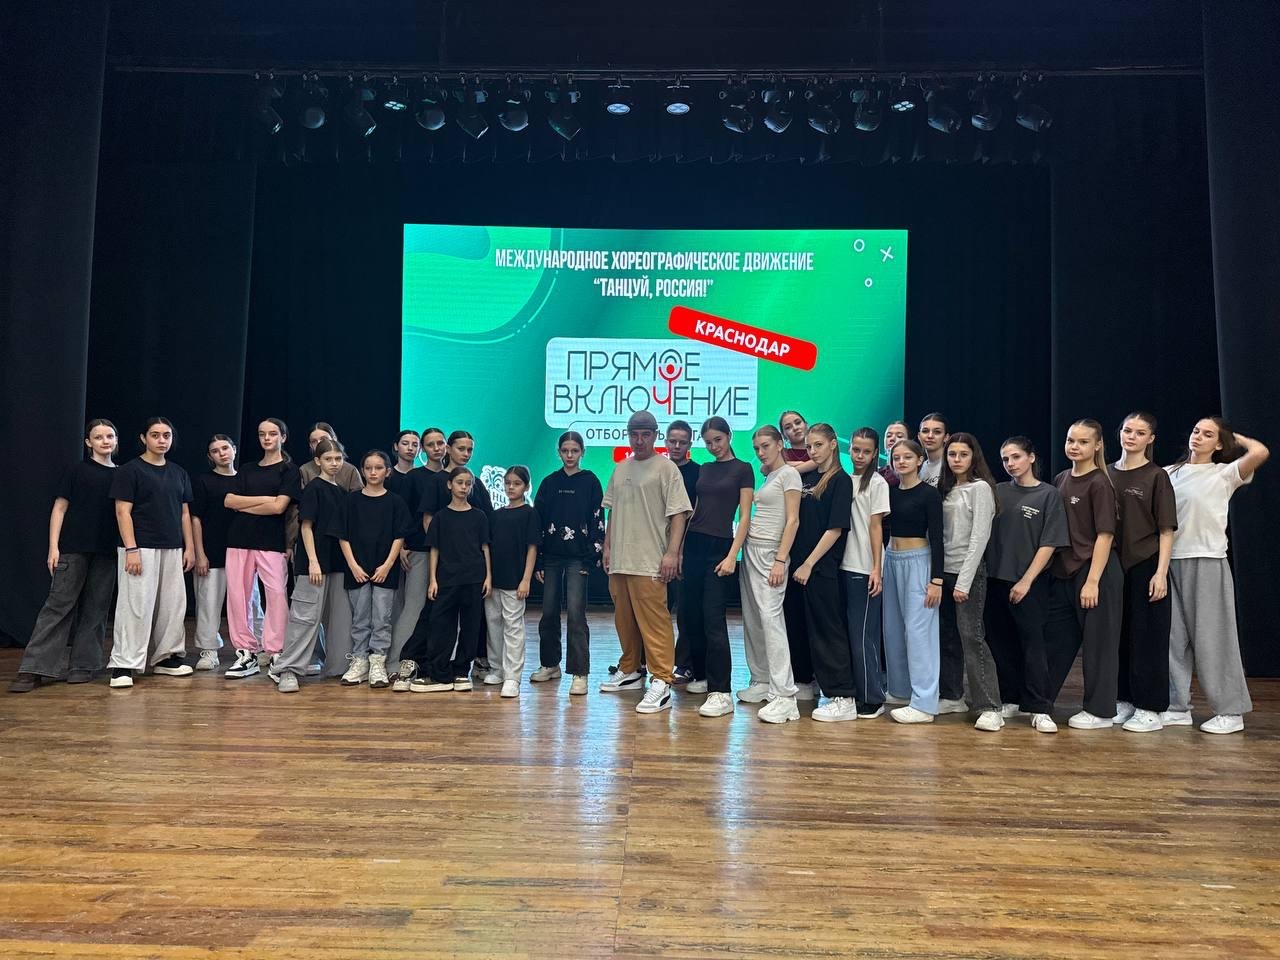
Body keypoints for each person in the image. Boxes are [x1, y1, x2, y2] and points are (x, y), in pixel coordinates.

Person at [1163, 417, 1269, 734]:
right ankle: (1176, 707)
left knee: (1213, 638)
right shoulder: (1168, 473)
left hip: (1207, 560)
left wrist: (1232, 435)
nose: (1198, 437)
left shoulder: (1224, 473)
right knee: (1172, 639)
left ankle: (1230, 711)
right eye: (1196, 431)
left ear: (1220, 444)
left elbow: (1260, 451)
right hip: (1168, 562)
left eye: (1208, 434)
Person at [10, 419, 120, 693]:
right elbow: (59, 508)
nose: (105, 441)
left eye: (109, 436)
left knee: (96, 609)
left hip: (107, 551)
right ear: (88, 442)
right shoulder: (77, 470)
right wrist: (53, 547)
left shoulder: (123, 475)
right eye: (98, 437)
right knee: (58, 606)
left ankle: (83, 665)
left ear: (116, 440)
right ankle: (34, 668)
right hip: (73, 548)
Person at [599, 410, 691, 713]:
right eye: (634, 435)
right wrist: (608, 547)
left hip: (650, 559)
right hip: (620, 559)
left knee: (655, 622)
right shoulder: (620, 468)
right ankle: (630, 670)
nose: (639, 440)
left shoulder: (666, 469)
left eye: (645, 435)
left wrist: (672, 553)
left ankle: (662, 680)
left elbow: (679, 514)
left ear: (654, 435)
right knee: (623, 619)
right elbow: (612, 512)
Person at [984, 437, 1070, 734]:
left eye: (1016, 457)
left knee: (1033, 645)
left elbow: (1050, 543)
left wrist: (1026, 581)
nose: (1011, 463)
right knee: (1001, 643)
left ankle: (1039, 707)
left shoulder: (1048, 495)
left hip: (1029, 583)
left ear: (1031, 457)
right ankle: (1010, 698)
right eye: (1005, 459)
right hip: (995, 579)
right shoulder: (997, 492)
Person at [1044, 419, 1124, 731]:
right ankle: (1040, 701)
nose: (1074, 447)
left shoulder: (1100, 483)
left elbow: (1105, 535)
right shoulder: (1061, 478)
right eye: (1070, 440)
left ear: (1098, 445)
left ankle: (1100, 712)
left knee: (1099, 645)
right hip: (1065, 572)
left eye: (1082, 442)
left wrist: (1092, 581)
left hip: (1096, 573)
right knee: (1056, 641)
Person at [106, 417, 195, 688]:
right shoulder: (130, 470)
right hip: (140, 546)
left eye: (166, 435)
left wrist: (190, 547)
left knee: (173, 605)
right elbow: (122, 512)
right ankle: (124, 664)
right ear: (144, 438)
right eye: (155, 435)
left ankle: (167, 658)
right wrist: (131, 548)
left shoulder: (179, 472)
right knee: (136, 605)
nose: (161, 440)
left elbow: (184, 513)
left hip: (172, 547)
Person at [677, 416, 754, 718]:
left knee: (713, 619)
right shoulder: (705, 469)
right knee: (690, 615)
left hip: (720, 547)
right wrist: (679, 550)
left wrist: (733, 555)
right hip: (694, 544)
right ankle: (701, 675)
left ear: (729, 436)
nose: (713, 447)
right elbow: (695, 510)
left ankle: (721, 692)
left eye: (718, 440)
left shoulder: (743, 469)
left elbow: (744, 516)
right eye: (708, 443)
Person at [1108, 412, 1178, 733]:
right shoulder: (1106, 473)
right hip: (1113, 566)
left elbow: (1166, 530)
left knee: (1147, 637)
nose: (1131, 437)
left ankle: (1150, 707)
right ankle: (1124, 699)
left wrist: (1160, 573)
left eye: (1139, 432)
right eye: (1127, 430)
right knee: (1119, 635)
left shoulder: (1156, 476)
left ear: (1150, 439)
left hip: (1145, 564)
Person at [269, 438, 353, 693]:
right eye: (328, 459)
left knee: (338, 619)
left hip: (337, 564)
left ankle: (336, 666)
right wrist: (314, 562)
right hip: (314, 564)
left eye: (338, 458)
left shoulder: (342, 492)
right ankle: (287, 669)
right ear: (318, 461)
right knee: (304, 618)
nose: (334, 463)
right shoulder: (314, 488)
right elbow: (306, 527)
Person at [792, 423, 860, 722]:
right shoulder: (807, 477)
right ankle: (806, 683)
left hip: (821, 568)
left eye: (818, 445)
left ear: (833, 444)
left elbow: (835, 528)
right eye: (809, 446)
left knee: (827, 630)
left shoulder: (840, 481)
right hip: (798, 565)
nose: (813, 451)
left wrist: (809, 563)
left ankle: (843, 696)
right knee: (801, 627)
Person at [222, 418, 299, 680]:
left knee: (276, 595)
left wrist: (247, 504)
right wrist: (266, 500)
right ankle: (246, 653)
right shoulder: (246, 469)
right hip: (239, 540)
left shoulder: (289, 470)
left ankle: (276, 652)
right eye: (262, 434)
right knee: (238, 597)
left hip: (271, 542)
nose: (267, 438)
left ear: (283, 437)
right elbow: (229, 501)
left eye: (273, 434)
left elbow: (280, 508)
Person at [938, 432, 1004, 731]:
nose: (957, 459)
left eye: (963, 454)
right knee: (948, 637)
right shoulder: (946, 488)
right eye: (952, 454)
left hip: (968, 573)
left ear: (973, 457)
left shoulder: (980, 489)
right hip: (944, 572)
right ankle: (953, 696)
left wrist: (964, 581)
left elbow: (979, 538)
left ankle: (989, 706)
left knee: (972, 638)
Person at [404, 467, 491, 693]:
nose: (464, 487)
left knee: (470, 627)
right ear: (449, 485)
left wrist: (488, 577)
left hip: (473, 578)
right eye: (460, 482)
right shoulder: (441, 517)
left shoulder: (479, 516)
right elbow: (434, 549)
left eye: (468, 484)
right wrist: (433, 579)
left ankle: (461, 672)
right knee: (441, 626)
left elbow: (485, 548)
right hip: (446, 579)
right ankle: (439, 674)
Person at [738, 425, 803, 722]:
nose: (761, 452)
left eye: (765, 446)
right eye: (757, 448)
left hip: (770, 553)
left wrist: (780, 559)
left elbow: (793, 521)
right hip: (751, 549)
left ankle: (785, 696)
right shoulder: (769, 475)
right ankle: (762, 680)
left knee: (771, 620)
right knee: (753, 618)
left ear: (779, 444)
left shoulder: (789, 474)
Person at [532, 431, 604, 694]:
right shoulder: (549, 482)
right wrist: (539, 559)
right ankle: (550, 664)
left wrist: (592, 555)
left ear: (583, 452)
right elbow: (538, 522)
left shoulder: (591, 482)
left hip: (578, 557)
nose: (570, 455)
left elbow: (598, 520)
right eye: (565, 451)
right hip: (551, 556)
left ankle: (579, 672)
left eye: (575, 450)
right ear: (559, 452)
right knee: (549, 611)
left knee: (575, 614)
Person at [881, 439, 944, 723]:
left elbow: (938, 538)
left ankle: (925, 703)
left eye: (907, 457)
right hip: (891, 561)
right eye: (897, 458)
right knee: (893, 629)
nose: (901, 462)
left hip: (919, 561)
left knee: (919, 633)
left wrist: (936, 580)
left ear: (920, 460)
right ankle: (900, 690)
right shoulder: (890, 493)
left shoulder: (929, 494)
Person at [337, 450, 411, 688]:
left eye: (378, 468)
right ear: (362, 471)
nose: (373, 472)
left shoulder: (395, 502)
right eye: (368, 468)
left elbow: (399, 536)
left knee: (382, 618)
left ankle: (378, 662)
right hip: (357, 568)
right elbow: (343, 536)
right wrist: (353, 565)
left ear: (387, 471)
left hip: (384, 569)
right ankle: (359, 661)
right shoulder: (351, 500)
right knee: (360, 618)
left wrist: (388, 565)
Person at [839, 427, 892, 719]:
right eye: (856, 449)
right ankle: (853, 691)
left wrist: (876, 568)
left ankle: (873, 696)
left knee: (864, 636)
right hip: (842, 566)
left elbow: (876, 527)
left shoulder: (878, 483)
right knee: (848, 635)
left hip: (864, 567)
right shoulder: (844, 480)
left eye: (866, 451)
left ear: (875, 454)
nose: (860, 455)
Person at [389, 426, 447, 671]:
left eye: (440, 443)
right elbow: (402, 513)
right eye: (431, 444)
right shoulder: (414, 477)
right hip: (419, 549)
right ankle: (397, 663)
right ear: (424, 449)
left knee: (442, 610)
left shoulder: (454, 478)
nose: (437, 448)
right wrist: (402, 544)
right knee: (414, 606)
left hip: (450, 554)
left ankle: (431, 661)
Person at [483, 466, 541, 698]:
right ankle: (497, 669)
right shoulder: (496, 515)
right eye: (507, 483)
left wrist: (526, 579)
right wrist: (488, 576)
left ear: (526, 487)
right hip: (495, 579)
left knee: (513, 627)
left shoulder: (530, 514)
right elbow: (487, 548)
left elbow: (532, 548)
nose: (511, 487)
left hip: (515, 581)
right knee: (493, 624)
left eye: (516, 483)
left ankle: (512, 677)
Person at [189, 435, 239, 672]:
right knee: (208, 603)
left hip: (241, 551)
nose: (222, 453)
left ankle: (256, 648)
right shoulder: (203, 481)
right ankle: (209, 650)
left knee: (250, 604)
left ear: (234, 449)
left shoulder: (245, 479)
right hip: (212, 551)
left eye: (225, 448)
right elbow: (195, 519)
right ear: (210, 456)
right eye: (215, 451)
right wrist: (200, 553)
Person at [665, 419, 699, 683]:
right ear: (665, 441)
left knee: (686, 612)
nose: (677, 446)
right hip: (654, 549)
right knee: (654, 610)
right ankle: (643, 663)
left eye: (682, 442)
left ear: (690, 444)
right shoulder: (657, 468)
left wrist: (679, 551)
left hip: (687, 551)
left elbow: (696, 514)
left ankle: (684, 665)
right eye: (672, 441)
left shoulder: (698, 473)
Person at [301, 422, 363, 491]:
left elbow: (358, 496)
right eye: (314, 441)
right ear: (310, 445)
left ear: (334, 439)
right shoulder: (304, 470)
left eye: (323, 439)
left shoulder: (350, 470)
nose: (319, 443)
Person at [778, 410, 818, 484]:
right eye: (788, 427)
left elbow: (818, 462)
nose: (795, 428)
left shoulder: (818, 449)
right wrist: (801, 463)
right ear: (783, 435)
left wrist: (788, 469)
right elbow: (764, 468)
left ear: (806, 425)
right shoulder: (783, 454)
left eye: (798, 423)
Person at [916, 413, 949, 488]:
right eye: (925, 431)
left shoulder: (952, 464)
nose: (930, 436)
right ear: (919, 436)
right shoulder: (918, 468)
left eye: (937, 432)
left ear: (946, 437)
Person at [879, 420, 908, 488]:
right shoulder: (877, 474)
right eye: (888, 436)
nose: (892, 438)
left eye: (899, 436)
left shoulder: (911, 472)